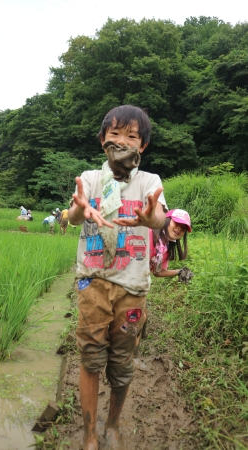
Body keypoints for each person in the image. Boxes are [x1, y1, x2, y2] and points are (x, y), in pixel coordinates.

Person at [68, 104, 167, 450]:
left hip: (132, 288)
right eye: (115, 134)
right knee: (91, 359)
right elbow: (76, 214)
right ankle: (89, 433)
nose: (122, 141)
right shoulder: (91, 179)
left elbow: (159, 219)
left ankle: (113, 424)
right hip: (92, 283)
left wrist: (150, 219)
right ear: (102, 141)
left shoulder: (149, 182)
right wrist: (79, 208)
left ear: (143, 146)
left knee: (121, 364)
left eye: (131, 136)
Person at [139, 208, 193, 341]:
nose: (179, 229)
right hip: (127, 277)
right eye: (177, 224)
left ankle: (141, 338)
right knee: (134, 317)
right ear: (167, 220)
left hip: (141, 282)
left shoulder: (166, 248)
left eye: (183, 228)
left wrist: (178, 272)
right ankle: (132, 353)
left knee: (142, 314)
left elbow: (157, 272)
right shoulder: (148, 232)